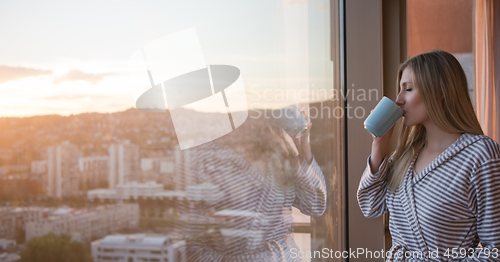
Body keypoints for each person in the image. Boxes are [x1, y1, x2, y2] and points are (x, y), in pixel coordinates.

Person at [358, 50, 500, 261]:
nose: (398, 100)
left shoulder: (480, 155)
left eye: (408, 89)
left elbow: (494, 250)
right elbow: (371, 206)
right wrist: (379, 144)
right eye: (400, 90)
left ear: (440, 90)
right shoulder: (405, 156)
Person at [175, 109, 326, 262]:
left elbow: (315, 205)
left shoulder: (276, 149)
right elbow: (189, 239)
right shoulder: (202, 156)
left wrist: (303, 148)